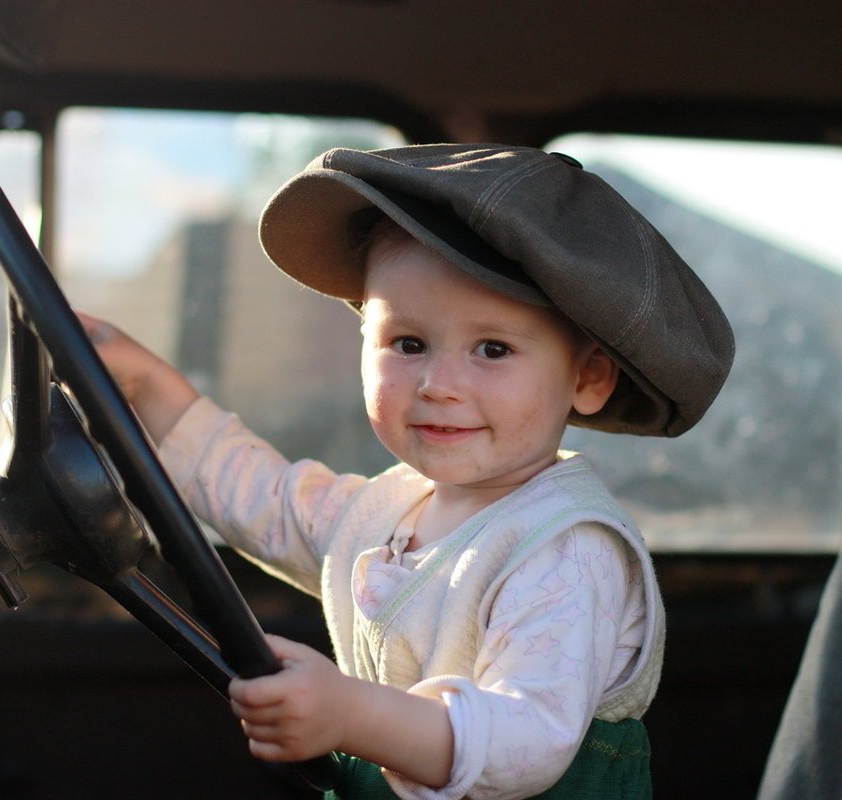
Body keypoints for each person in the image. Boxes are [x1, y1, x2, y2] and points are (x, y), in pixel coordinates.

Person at [85, 144, 734, 799]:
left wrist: (351, 714)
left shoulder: (565, 548)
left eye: (493, 349)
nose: (438, 385)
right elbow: (270, 501)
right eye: (409, 344)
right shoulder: (387, 512)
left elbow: (527, 740)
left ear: (588, 376)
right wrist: (146, 384)